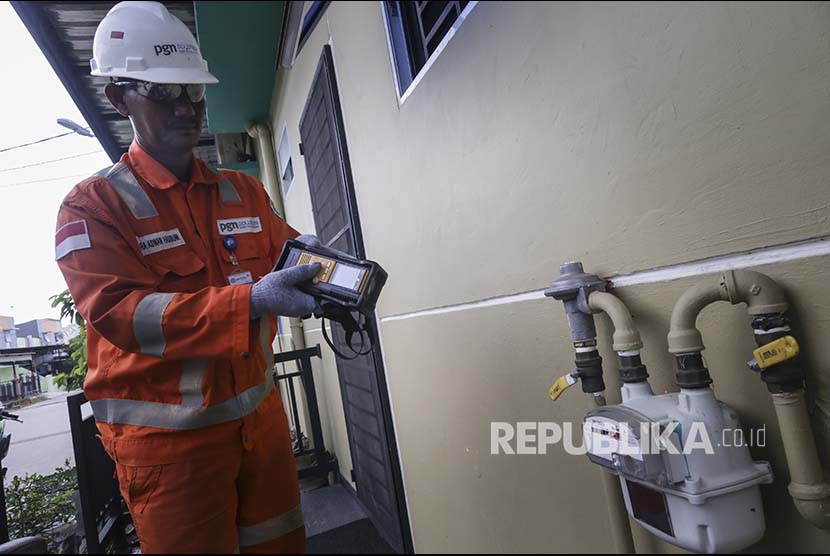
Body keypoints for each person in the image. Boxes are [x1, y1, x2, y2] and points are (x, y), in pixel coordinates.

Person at [54, 2, 320, 552]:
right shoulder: (94, 207)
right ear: (118, 97)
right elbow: (122, 315)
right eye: (163, 92)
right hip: (169, 452)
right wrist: (248, 302)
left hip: (261, 427)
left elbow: (285, 261)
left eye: (193, 92)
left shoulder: (240, 191)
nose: (185, 108)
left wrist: (315, 264)